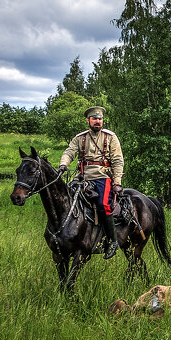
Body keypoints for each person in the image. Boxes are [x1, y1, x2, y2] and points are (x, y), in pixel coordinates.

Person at [59, 106, 124, 259]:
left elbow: (117, 160)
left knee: (103, 205)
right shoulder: (80, 138)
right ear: (88, 120)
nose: (97, 121)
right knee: (65, 199)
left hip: (102, 177)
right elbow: (70, 152)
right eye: (94, 119)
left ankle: (113, 241)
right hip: (82, 177)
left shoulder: (110, 137)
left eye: (100, 119)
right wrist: (63, 164)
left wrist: (117, 181)